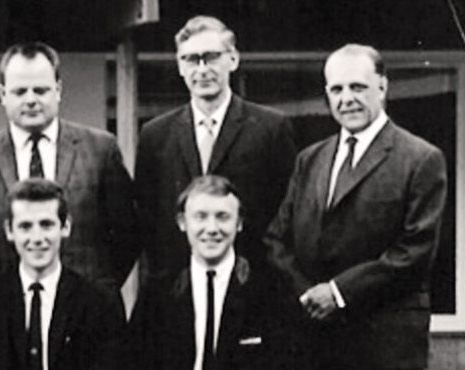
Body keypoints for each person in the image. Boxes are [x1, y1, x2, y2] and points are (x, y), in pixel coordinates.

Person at [265, 44, 447, 370]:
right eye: (336, 89)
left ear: (382, 87)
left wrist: (338, 292)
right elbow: (277, 239)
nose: (346, 98)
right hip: (315, 341)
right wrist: (309, 295)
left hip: (384, 343)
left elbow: (414, 251)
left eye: (358, 87)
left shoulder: (420, 159)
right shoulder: (310, 159)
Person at [0, 41, 137, 292]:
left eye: (40, 90)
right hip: (8, 314)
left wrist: (96, 295)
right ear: (1, 96)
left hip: (87, 314)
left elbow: (127, 238)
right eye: (20, 92)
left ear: (58, 90)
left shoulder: (101, 150)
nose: (31, 100)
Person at [135, 15, 297, 277]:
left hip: (252, 286)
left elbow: (286, 216)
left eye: (211, 57)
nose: (201, 69)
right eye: (191, 59)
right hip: (177, 288)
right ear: (179, 66)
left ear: (232, 59)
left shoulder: (270, 128)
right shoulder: (155, 135)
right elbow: (148, 218)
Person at [126, 176, 302, 370]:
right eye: (200, 216)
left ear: (239, 223)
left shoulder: (272, 290)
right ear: (182, 223)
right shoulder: (157, 291)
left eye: (222, 217)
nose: (211, 229)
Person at [0, 178, 122, 370]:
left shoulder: (96, 302)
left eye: (46, 224)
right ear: (9, 231)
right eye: (25, 226)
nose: (37, 238)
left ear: (65, 227)